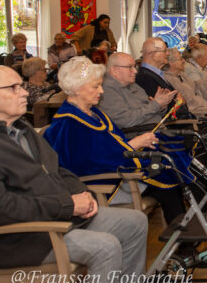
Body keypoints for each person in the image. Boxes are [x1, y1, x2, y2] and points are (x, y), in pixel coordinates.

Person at [0, 65, 148, 283]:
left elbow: (58, 169)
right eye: (14, 88)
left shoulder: (22, 129)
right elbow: (1, 208)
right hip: (21, 237)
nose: (24, 93)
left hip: (57, 217)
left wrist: (81, 193)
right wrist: (68, 205)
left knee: (135, 222)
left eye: (21, 85)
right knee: (105, 247)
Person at [45, 57, 190, 225]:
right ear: (76, 89)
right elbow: (90, 164)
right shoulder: (68, 124)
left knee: (172, 168)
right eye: (95, 86)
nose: (101, 91)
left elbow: (112, 146)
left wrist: (135, 144)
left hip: (120, 171)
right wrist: (135, 144)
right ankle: (181, 236)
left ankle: (184, 233)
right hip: (105, 184)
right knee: (169, 186)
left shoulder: (94, 113)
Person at [99, 52, 176, 128]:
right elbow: (125, 121)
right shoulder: (107, 89)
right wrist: (156, 104)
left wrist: (161, 107)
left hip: (157, 129)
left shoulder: (134, 85)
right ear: (114, 70)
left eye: (135, 66)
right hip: (140, 134)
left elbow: (150, 112)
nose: (135, 71)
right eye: (130, 67)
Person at [136, 37, 190, 118]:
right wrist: (179, 104)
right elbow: (161, 110)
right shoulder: (145, 78)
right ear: (153, 54)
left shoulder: (155, 74)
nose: (167, 54)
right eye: (165, 51)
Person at [163, 48, 207, 117]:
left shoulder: (181, 75)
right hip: (191, 117)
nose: (184, 61)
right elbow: (188, 102)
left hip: (200, 111)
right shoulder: (168, 79)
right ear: (171, 63)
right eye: (180, 59)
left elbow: (196, 85)